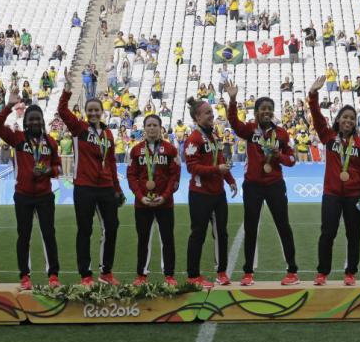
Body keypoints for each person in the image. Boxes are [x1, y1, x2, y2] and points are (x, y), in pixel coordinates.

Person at [224, 83, 298, 286]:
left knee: (283, 226)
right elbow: (232, 122)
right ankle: (248, 272)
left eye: (269, 109)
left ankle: (292, 271)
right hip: (253, 186)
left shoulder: (282, 134)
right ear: (256, 112)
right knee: (251, 227)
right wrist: (232, 100)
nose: (266, 112)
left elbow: (292, 161)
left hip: (275, 185)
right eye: (262, 109)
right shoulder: (249, 130)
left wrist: (279, 155)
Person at [0, 87, 62, 290]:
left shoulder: (50, 142)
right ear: (26, 122)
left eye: (37, 119)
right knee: (24, 236)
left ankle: (53, 275)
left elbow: (58, 168)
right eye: (31, 119)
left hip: (45, 195)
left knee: (49, 234)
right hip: (22, 195)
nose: (34, 122)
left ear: (42, 121)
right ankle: (25, 276)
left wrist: (48, 170)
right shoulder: (18, 139)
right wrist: (9, 106)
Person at [307, 75, 360, 286]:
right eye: (345, 117)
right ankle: (322, 273)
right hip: (332, 194)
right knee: (328, 233)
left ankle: (350, 272)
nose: (348, 121)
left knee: (354, 235)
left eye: (352, 118)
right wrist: (314, 95)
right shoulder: (328, 137)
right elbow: (316, 117)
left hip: (354, 196)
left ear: (355, 122)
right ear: (338, 119)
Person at [58, 81, 124, 285]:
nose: (94, 113)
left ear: (102, 112)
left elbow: (111, 162)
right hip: (84, 187)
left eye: (97, 110)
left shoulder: (108, 134)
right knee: (85, 230)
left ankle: (106, 272)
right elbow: (62, 111)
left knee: (111, 227)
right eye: (90, 110)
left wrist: (117, 188)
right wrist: (67, 91)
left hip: (105, 188)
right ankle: (85, 275)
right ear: (86, 112)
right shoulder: (79, 128)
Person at [184, 96, 238, 288]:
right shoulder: (193, 139)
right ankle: (193, 275)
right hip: (200, 195)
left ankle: (221, 272)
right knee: (198, 234)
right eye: (207, 113)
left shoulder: (214, 135)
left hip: (218, 194)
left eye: (211, 112)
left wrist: (230, 180)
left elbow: (220, 158)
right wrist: (218, 171)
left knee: (221, 234)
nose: (212, 115)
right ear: (197, 118)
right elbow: (192, 168)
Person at [126, 114, 181, 285]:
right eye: (148, 125)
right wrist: (141, 197)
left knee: (167, 239)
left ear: (160, 128)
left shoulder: (171, 149)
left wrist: (164, 197)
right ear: (144, 128)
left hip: (164, 204)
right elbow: (131, 176)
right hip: (142, 204)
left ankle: (169, 275)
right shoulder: (135, 150)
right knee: (143, 240)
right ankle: (142, 275)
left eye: (154, 125)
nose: (151, 128)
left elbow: (175, 176)